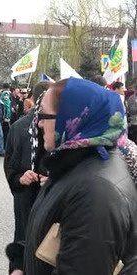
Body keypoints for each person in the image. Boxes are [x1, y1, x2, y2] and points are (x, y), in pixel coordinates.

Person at [24, 78, 137, 274]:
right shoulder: (76, 164)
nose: (39, 123)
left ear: (71, 117)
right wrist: (20, 261)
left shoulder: (95, 190)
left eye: (43, 114)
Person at [4, 81, 50, 275]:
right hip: (26, 197)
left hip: (49, 196)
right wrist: (20, 179)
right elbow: (10, 166)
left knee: (46, 246)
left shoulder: (59, 125)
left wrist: (54, 179)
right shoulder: (20, 127)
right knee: (24, 242)